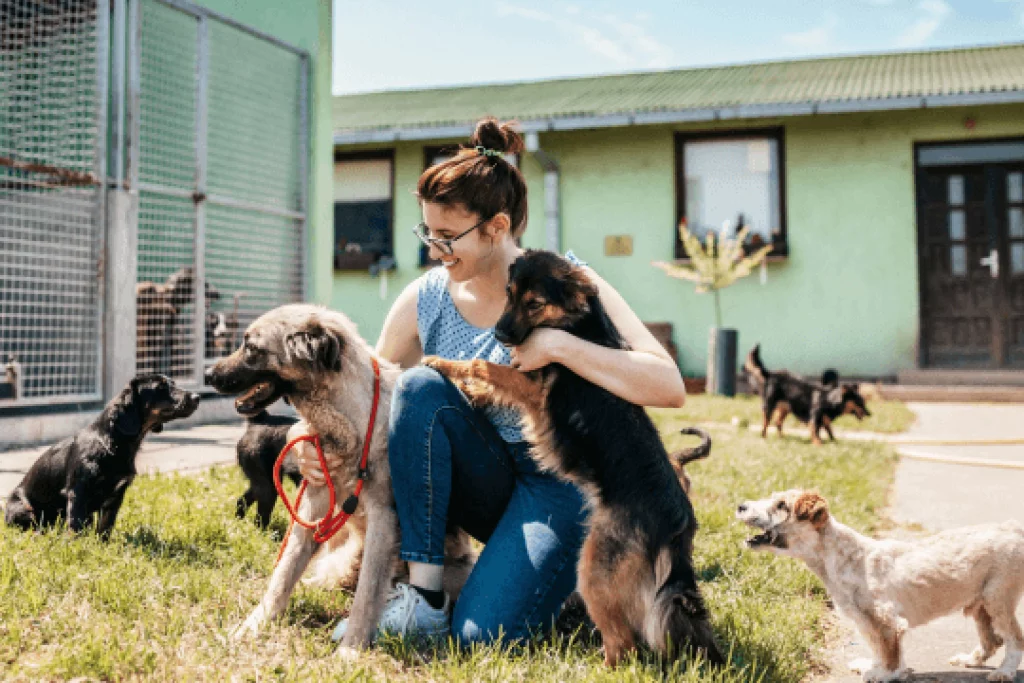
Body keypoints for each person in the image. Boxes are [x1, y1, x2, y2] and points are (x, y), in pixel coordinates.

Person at [296, 117, 687, 646]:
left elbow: (668, 384)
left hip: (557, 485)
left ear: (496, 227)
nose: (434, 248)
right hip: (478, 480)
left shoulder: (565, 281)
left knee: (482, 636)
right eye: (427, 233)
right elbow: (365, 397)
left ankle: (557, 581)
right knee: (418, 387)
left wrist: (560, 346)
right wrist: (309, 442)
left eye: (447, 236)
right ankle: (424, 597)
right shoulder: (425, 298)